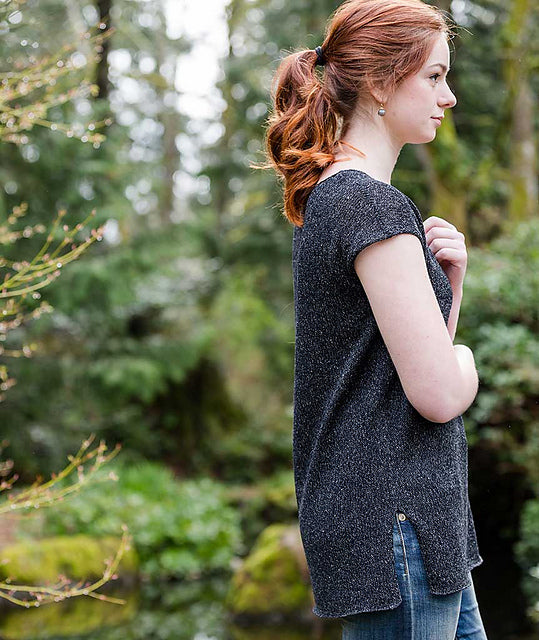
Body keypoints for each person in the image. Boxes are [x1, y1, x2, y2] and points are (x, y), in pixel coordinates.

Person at [256, 0, 489, 638]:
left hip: (414, 523)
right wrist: (466, 361)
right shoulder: (365, 203)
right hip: (397, 523)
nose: (448, 96)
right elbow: (439, 392)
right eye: (434, 76)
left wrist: (450, 284)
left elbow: (394, 374)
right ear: (383, 84)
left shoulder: (341, 196)